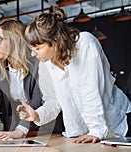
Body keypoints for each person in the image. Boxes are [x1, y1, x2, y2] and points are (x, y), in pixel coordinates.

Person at [18, 7, 131, 143]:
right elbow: (53, 100)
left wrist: (96, 130)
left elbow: (90, 90)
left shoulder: (85, 44)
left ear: (55, 41)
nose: (33, 54)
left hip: (117, 123)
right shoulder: (45, 63)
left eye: (37, 48)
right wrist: (37, 115)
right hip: (82, 133)